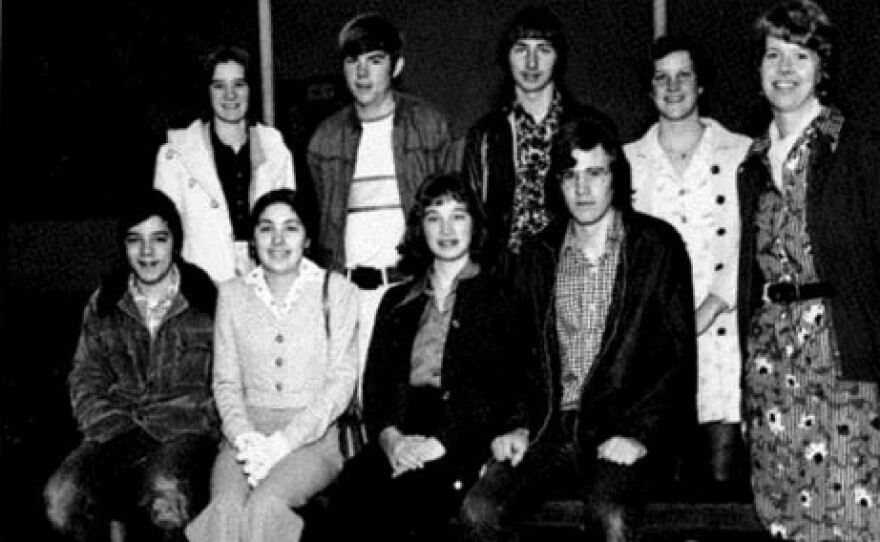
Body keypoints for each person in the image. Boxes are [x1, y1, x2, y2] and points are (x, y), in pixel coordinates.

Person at [461, 115, 696, 542]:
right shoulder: (537, 255)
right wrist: (515, 425)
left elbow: (677, 361)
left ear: (615, 176)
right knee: (479, 510)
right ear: (556, 183)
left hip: (621, 428)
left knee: (612, 516)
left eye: (595, 173)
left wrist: (640, 435)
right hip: (551, 429)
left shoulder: (657, 246)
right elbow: (517, 357)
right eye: (570, 176)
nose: (582, 189)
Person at [323, 173, 534, 542]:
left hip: (465, 439)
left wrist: (440, 443)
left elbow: (499, 390)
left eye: (458, 215)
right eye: (434, 217)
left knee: (405, 508)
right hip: (401, 434)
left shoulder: (502, 298)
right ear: (420, 227)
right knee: (346, 500)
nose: (446, 228)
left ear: (475, 224)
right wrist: (392, 441)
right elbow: (376, 386)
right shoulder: (397, 301)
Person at [737, 1, 880, 539]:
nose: (785, 69)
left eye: (801, 55)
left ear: (822, 68)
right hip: (771, 368)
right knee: (784, 520)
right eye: (773, 55)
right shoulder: (750, 164)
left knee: (848, 521)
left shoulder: (858, 152)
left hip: (843, 360)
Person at [44, 189, 219, 542]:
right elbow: (85, 375)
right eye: (135, 240)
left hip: (183, 430)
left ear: (176, 242)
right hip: (117, 429)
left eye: (158, 239)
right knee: (60, 498)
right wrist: (108, 423)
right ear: (124, 247)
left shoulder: (206, 299)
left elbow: (226, 381)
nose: (147, 252)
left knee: (166, 489)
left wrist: (199, 419)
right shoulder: (105, 302)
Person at [185, 189, 358, 542]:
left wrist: (283, 443)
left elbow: (341, 382)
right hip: (244, 437)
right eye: (266, 229)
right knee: (227, 505)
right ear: (253, 240)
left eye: (290, 228)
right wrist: (244, 438)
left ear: (307, 238)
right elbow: (226, 383)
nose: (278, 240)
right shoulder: (232, 295)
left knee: (265, 504)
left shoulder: (335, 290)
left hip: (313, 438)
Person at [623, 34, 751, 494]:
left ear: (701, 86)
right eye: (661, 77)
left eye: (684, 75)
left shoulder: (741, 154)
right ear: (649, 88)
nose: (673, 86)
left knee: (722, 491)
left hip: (724, 342)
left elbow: (754, 242)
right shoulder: (627, 162)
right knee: (661, 498)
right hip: (656, 351)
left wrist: (714, 303)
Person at [307, 12, 455, 405]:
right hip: (350, 296)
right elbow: (321, 227)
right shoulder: (325, 139)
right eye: (353, 60)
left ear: (397, 66)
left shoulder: (429, 126)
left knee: (412, 405)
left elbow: (453, 214)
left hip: (412, 293)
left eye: (375, 59)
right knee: (353, 406)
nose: (363, 72)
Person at [461, 5, 615, 279]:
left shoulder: (591, 127)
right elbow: (473, 218)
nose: (531, 63)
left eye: (543, 49)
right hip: (504, 283)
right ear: (506, 57)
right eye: (521, 49)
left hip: (578, 274)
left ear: (558, 57)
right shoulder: (485, 135)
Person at [154, 45, 296, 284]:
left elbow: (291, 227)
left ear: (251, 89)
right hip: (201, 288)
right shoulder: (174, 154)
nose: (230, 95)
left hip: (266, 284)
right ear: (207, 91)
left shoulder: (275, 148)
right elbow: (163, 233)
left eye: (239, 85)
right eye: (219, 86)